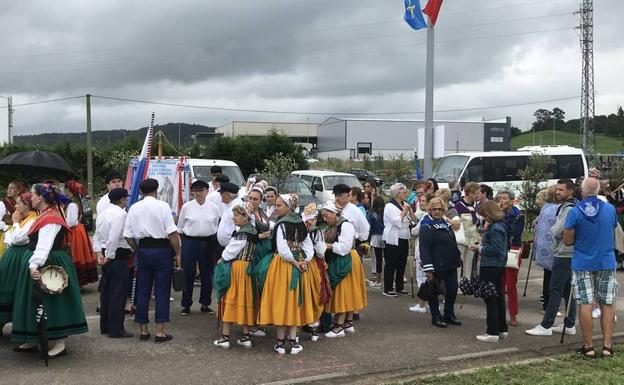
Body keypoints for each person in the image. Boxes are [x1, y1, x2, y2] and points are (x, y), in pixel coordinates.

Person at [11, 183, 88, 358]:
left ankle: (59, 343)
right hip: (39, 260)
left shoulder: (51, 219)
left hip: (48, 262)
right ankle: (33, 338)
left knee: (53, 303)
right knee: (32, 301)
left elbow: (44, 246)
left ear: (41, 197)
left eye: (32, 194)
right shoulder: (42, 216)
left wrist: (33, 265)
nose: (30, 197)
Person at [563, 177, 618, 358]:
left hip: (582, 262)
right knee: (607, 303)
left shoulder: (575, 211)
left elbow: (568, 240)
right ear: (598, 191)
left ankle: (588, 347)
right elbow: (611, 231)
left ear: (582, 191)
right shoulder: (610, 210)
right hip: (606, 261)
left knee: (585, 303)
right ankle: (608, 346)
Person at [123, 178, 181, 343]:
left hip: (144, 250)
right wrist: (177, 253)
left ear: (141, 191)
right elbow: (172, 233)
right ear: (156, 191)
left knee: (143, 290)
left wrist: (137, 250)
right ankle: (160, 332)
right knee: (162, 291)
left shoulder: (134, 207)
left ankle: (143, 330)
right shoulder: (163, 206)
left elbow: (127, 235)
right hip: (162, 250)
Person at [257, 194, 315, 355]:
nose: (276, 208)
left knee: (282, 302)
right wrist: (304, 261)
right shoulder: (301, 224)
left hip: (283, 267)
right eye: (276, 205)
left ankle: (280, 343)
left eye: (279, 205)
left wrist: (296, 263)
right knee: (294, 302)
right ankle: (294, 343)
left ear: (289, 207)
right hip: (297, 264)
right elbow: (308, 247)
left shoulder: (282, 224)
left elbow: (283, 250)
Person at [526, 179, 578, 337]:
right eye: (557, 189)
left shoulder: (568, 208)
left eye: (561, 190)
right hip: (569, 252)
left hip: (563, 253)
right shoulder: (570, 205)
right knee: (568, 289)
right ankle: (569, 323)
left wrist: (553, 227)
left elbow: (556, 231)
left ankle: (546, 325)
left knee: (555, 289)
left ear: (570, 191)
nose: (557, 192)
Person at [213, 203, 259, 349]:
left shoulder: (242, 234)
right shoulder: (252, 230)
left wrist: (221, 259)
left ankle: (225, 338)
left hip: (238, 268)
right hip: (248, 268)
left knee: (230, 299)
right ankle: (246, 337)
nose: (234, 218)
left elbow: (229, 253)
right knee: (244, 300)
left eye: (237, 215)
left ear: (245, 216)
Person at [322, 202, 368, 338]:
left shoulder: (345, 225)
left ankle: (339, 326)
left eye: (327, 215)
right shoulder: (333, 226)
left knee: (344, 292)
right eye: (323, 216)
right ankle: (348, 322)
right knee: (348, 291)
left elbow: (344, 247)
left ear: (335, 213)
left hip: (347, 260)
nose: (325, 219)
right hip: (342, 259)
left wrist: (326, 246)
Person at [93, 188, 133, 338]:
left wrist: (99, 254)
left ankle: (105, 326)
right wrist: (109, 256)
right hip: (116, 255)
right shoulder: (120, 214)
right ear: (122, 199)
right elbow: (114, 237)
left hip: (105, 253)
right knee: (118, 293)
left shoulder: (103, 214)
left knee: (106, 292)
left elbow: (97, 236)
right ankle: (116, 329)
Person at [177, 179, 220, 315]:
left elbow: (216, 225)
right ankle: (186, 304)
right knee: (188, 273)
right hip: (190, 241)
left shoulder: (214, 207)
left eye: (201, 190)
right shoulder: (187, 207)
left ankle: (205, 303)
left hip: (208, 241)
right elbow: (180, 228)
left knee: (207, 273)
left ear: (207, 191)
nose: (199, 193)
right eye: (196, 191)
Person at [469, 201, 509, 343]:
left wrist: (480, 248)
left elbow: (496, 249)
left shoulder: (496, 228)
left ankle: (492, 331)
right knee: (497, 297)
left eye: (484, 215)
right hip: (497, 265)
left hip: (491, 265)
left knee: (490, 297)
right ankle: (501, 328)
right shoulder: (501, 225)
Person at [419, 197, 462, 328]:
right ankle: (436, 316)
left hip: (450, 264)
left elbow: (452, 242)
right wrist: (428, 269)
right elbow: (424, 249)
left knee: (453, 289)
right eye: (434, 209)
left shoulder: (446, 223)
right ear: (429, 210)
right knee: (434, 292)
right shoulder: (426, 226)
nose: (437, 211)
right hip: (436, 265)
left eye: (440, 209)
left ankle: (449, 314)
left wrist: (457, 258)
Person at [0, 192, 38, 333]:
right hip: (14, 257)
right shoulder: (25, 218)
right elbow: (8, 239)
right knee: (5, 288)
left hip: (21, 257)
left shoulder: (32, 219)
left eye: (18, 203)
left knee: (14, 290)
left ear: (26, 205)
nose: (15, 206)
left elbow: (17, 239)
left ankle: (21, 327)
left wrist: (15, 222)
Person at [496, 189, 525, 327]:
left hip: (513, 249)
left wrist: (500, 219)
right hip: (499, 249)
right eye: (500, 198)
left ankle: (513, 315)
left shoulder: (519, 216)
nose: (502, 201)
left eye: (504, 198)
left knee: (510, 283)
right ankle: (499, 313)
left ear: (512, 200)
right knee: (499, 283)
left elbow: (514, 232)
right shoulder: (497, 215)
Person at [382, 183, 416, 297]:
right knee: (391, 263)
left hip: (404, 237)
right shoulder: (389, 206)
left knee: (402, 264)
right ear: (397, 193)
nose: (406, 194)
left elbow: (414, 220)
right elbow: (396, 222)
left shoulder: (405, 204)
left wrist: (410, 211)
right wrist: (404, 211)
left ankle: (400, 287)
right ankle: (387, 288)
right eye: (404, 192)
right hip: (393, 238)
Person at [301, 202, 329, 341]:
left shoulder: (299, 228)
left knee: (304, 294)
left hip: (300, 262)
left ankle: (303, 323)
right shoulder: (315, 231)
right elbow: (320, 250)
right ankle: (314, 328)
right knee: (315, 293)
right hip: (312, 264)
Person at [65, 180, 99, 286]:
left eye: (65, 189)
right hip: (78, 230)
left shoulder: (72, 204)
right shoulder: (76, 201)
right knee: (79, 255)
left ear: (68, 190)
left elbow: (72, 221)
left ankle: (77, 283)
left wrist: (62, 221)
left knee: (76, 255)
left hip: (74, 232)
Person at [532, 187, 558, 312]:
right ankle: (549, 305)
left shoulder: (545, 208)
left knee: (548, 276)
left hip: (543, 247)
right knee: (553, 278)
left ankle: (546, 303)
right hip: (553, 248)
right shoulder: (556, 209)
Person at [448, 182, 481, 280]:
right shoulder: (458, 205)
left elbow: (476, 222)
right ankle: (457, 283)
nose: (478, 195)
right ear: (470, 193)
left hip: (472, 238)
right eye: (476, 193)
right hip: (461, 238)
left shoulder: (475, 205)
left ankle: (467, 283)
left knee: (469, 263)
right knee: (459, 262)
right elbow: (454, 221)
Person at [333, 184, 370, 249]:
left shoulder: (352, 211)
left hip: (354, 246)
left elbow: (364, 232)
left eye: (340, 195)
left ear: (348, 195)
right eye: (335, 196)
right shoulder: (343, 209)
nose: (337, 198)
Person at [0, 181, 26, 258]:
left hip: (19, 232)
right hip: (4, 234)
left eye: (12, 188)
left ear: (18, 191)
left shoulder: (24, 204)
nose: (8, 190)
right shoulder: (3, 203)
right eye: (8, 188)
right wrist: (6, 227)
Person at [216, 182, 244, 250]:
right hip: (228, 247)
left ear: (227, 194)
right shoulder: (230, 205)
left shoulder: (237, 207)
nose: (220, 195)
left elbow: (240, 232)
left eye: (221, 193)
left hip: (233, 248)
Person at [367, 195, 385, 286]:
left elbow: (369, 227)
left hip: (375, 237)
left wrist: (368, 238)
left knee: (378, 259)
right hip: (385, 236)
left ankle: (378, 280)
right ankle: (390, 278)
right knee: (388, 258)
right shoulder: (385, 212)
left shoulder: (371, 214)